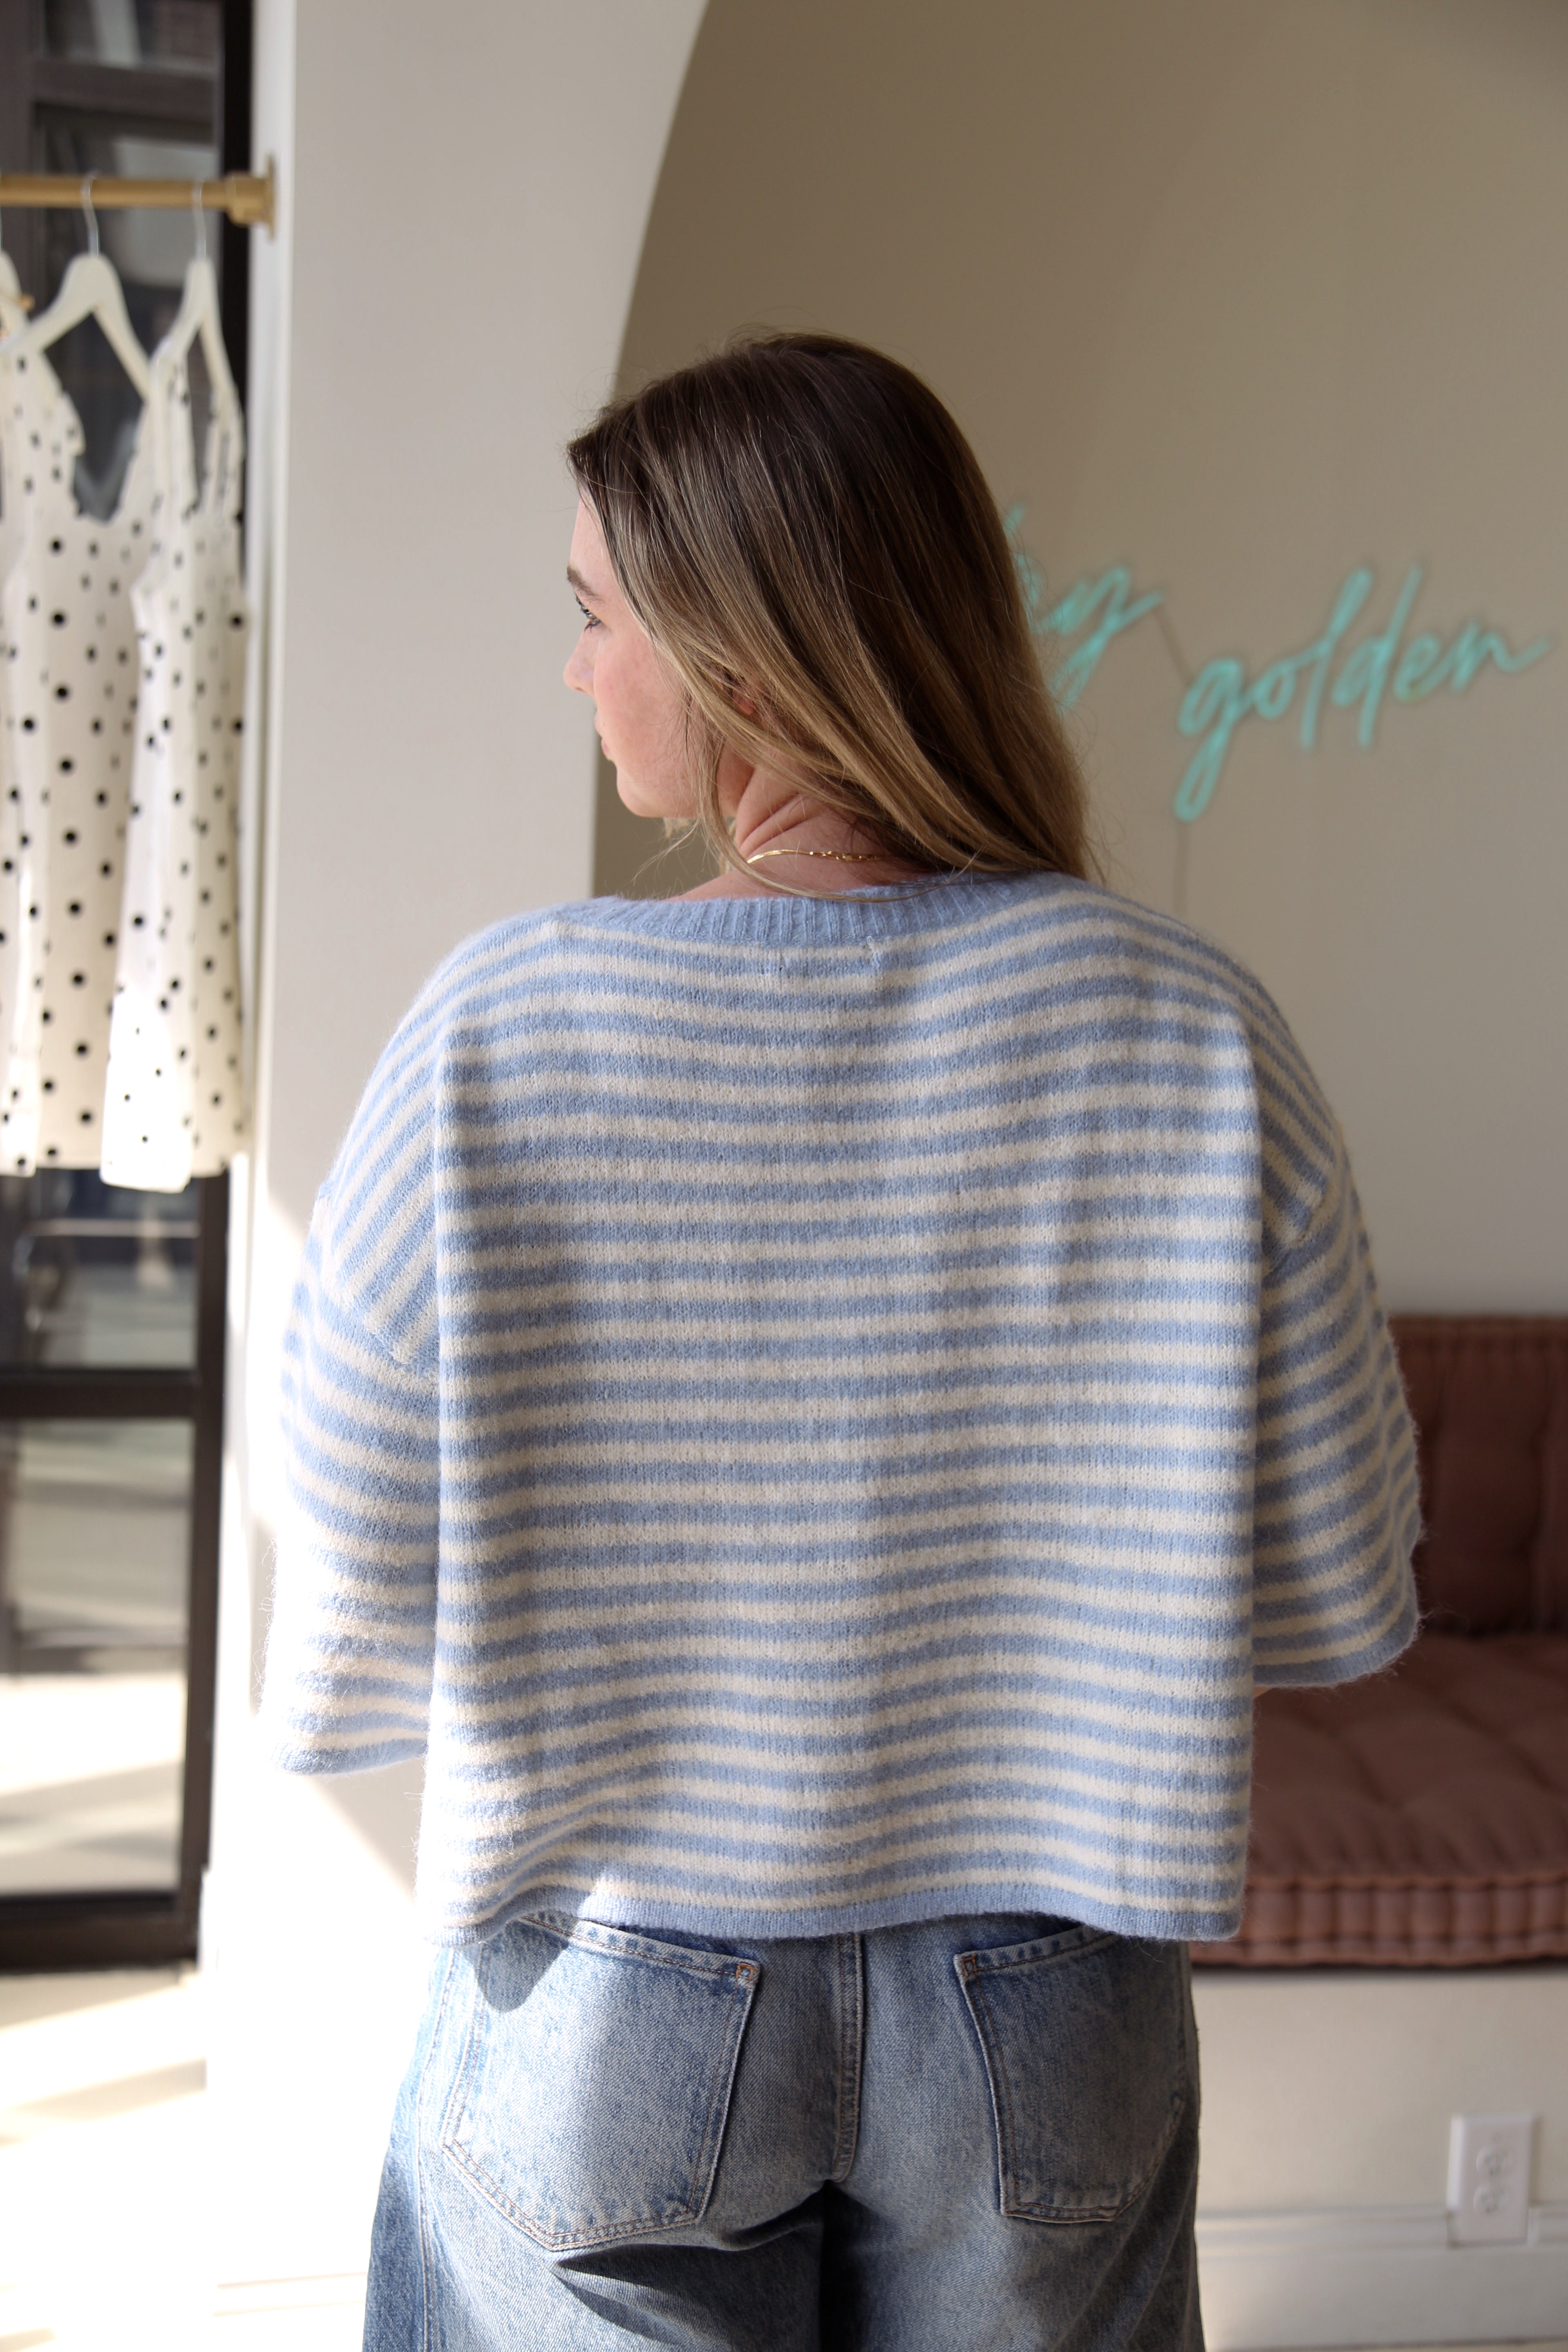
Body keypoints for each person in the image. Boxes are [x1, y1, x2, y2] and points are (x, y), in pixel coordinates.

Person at [261, 335, 1420, 2351]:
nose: (575, 669)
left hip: (619, 1975)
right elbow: (1340, 1576)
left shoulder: (505, 1027)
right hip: (1044, 1992)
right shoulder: (1193, 1027)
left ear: (744, 656)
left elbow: (344, 1505)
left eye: (595, 614)